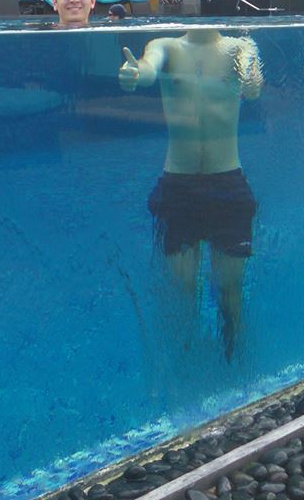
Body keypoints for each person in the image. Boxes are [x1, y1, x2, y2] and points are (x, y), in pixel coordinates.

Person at [118, 27, 263, 360]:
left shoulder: (239, 47)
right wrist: (135, 73)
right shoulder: (166, 45)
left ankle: (234, 363)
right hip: (178, 187)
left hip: (227, 185)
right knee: (181, 292)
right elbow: (148, 67)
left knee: (230, 292)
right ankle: (186, 366)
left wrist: (249, 66)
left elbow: (253, 88)